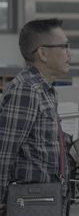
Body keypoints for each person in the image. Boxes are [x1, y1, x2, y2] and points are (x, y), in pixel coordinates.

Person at [0, 18, 72, 215]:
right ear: (42, 53)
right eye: (64, 46)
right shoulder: (26, 90)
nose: (69, 53)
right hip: (30, 201)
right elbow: (5, 151)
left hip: (47, 198)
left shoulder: (45, 90)